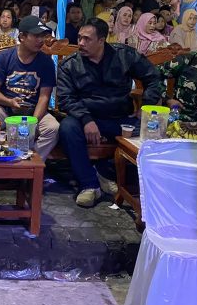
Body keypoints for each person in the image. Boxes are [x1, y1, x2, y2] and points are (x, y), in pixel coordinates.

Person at [58, 18, 162, 207]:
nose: (81, 43)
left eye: (87, 39)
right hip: (87, 118)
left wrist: (146, 106)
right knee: (67, 127)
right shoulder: (70, 65)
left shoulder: (124, 55)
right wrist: (86, 120)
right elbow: (66, 99)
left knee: (153, 131)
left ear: (101, 40)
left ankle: (105, 172)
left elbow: (153, 77)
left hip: (120, 118)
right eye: (79, 38)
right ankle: (89, 185)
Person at [0, 16, 59, 160]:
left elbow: (44, 97)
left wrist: (32, 123)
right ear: (22, 37)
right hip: (5, 108)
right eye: (36, 36)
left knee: (53, 128)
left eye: (43, 36)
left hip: (34, 111)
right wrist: (10, 102)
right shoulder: (4, 58)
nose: (41, 40)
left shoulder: (46, 62)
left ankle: (31, 161)